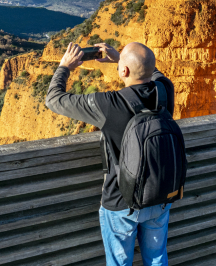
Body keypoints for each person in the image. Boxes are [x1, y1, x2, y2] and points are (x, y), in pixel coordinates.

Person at [45, 41, 176, 266]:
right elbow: (153, 71)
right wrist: (121, 58)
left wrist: (64, 67)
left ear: (123, 71)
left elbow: (53, 100)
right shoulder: (165, 90)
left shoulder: (110, 103)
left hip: (121, 201)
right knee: (157, 260)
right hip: (159, 195)